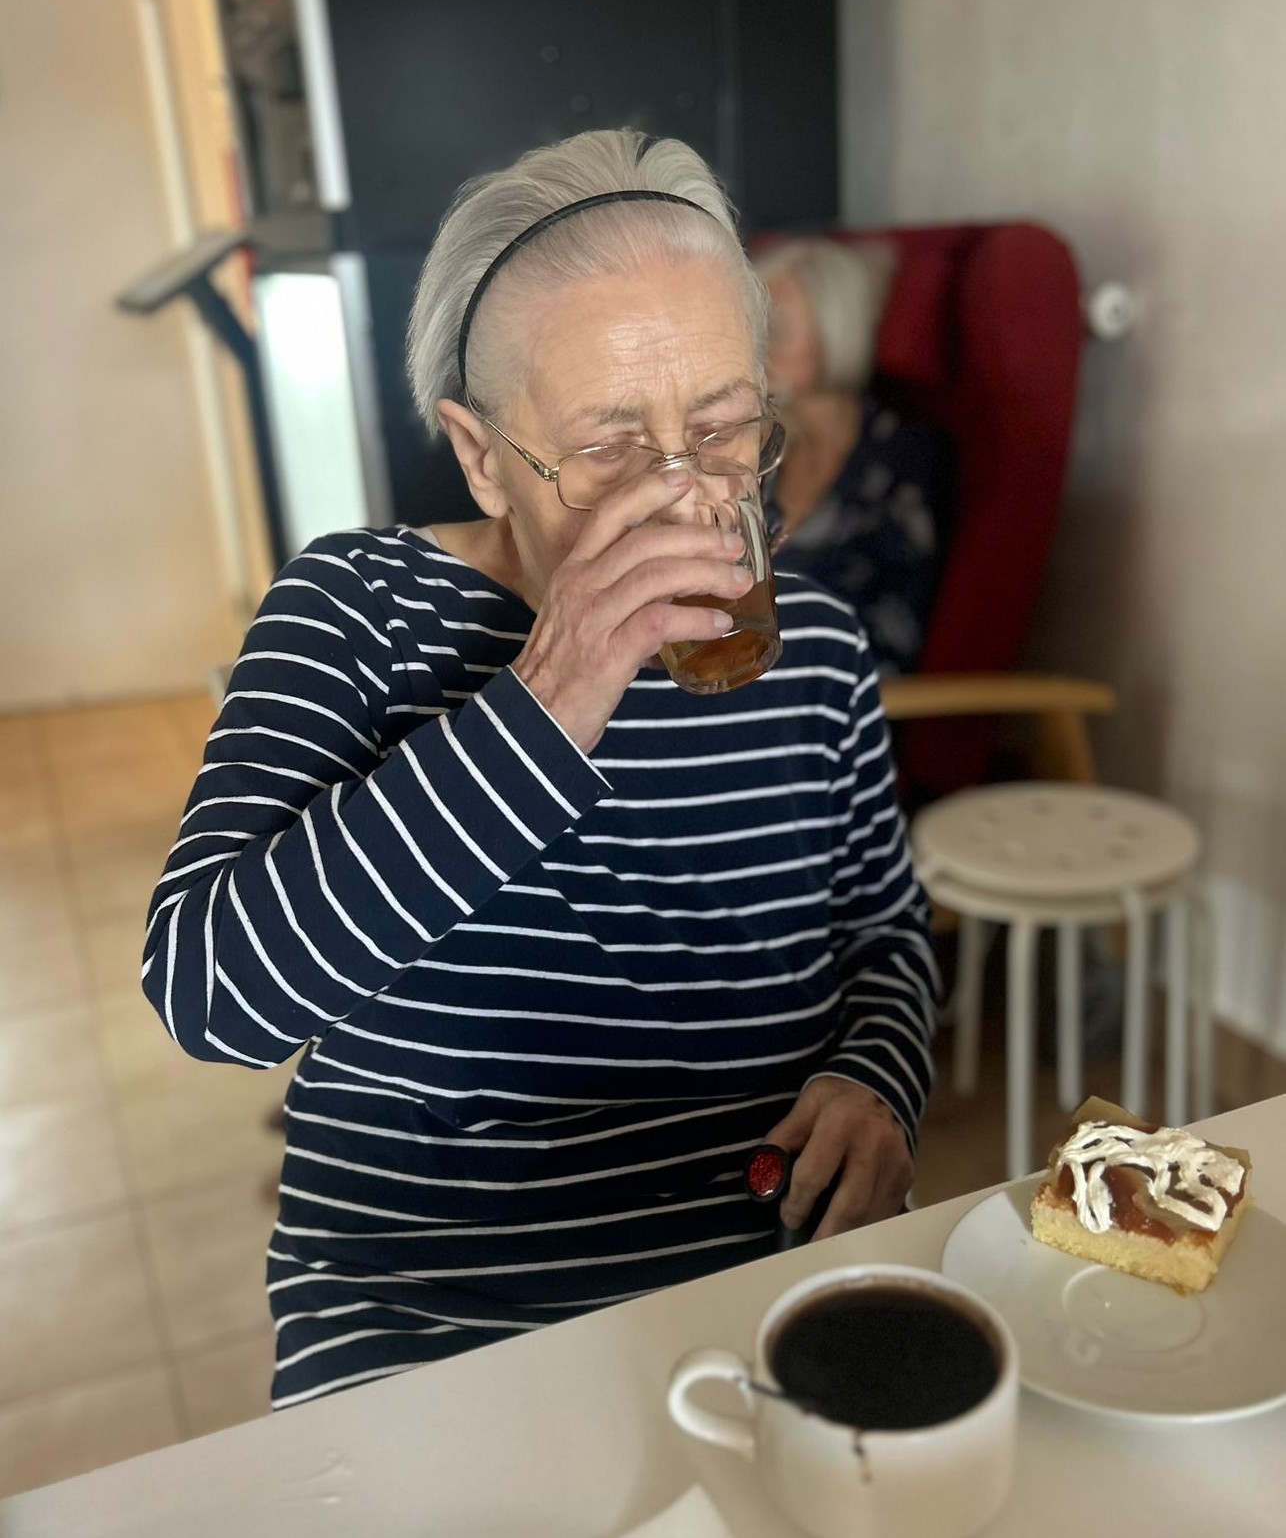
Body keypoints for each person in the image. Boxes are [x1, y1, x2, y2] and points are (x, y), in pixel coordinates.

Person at [142, 130, 938, 1409]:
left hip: (761, 1282)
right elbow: (209, 994)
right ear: (479, 455)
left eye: (723, 427)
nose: (683, 495)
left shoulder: (817, 645)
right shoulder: (352, 610)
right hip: (437, 1322)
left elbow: (883, 929)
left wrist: (873, 1078)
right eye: (610, 447)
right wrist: (554, 686)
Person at [757, 239, 955, 677]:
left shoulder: (904, 461)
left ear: (836, 332)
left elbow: (895, 638)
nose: (754, 348)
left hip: (838, 693)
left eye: (774, 327)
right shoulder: (758, 449)